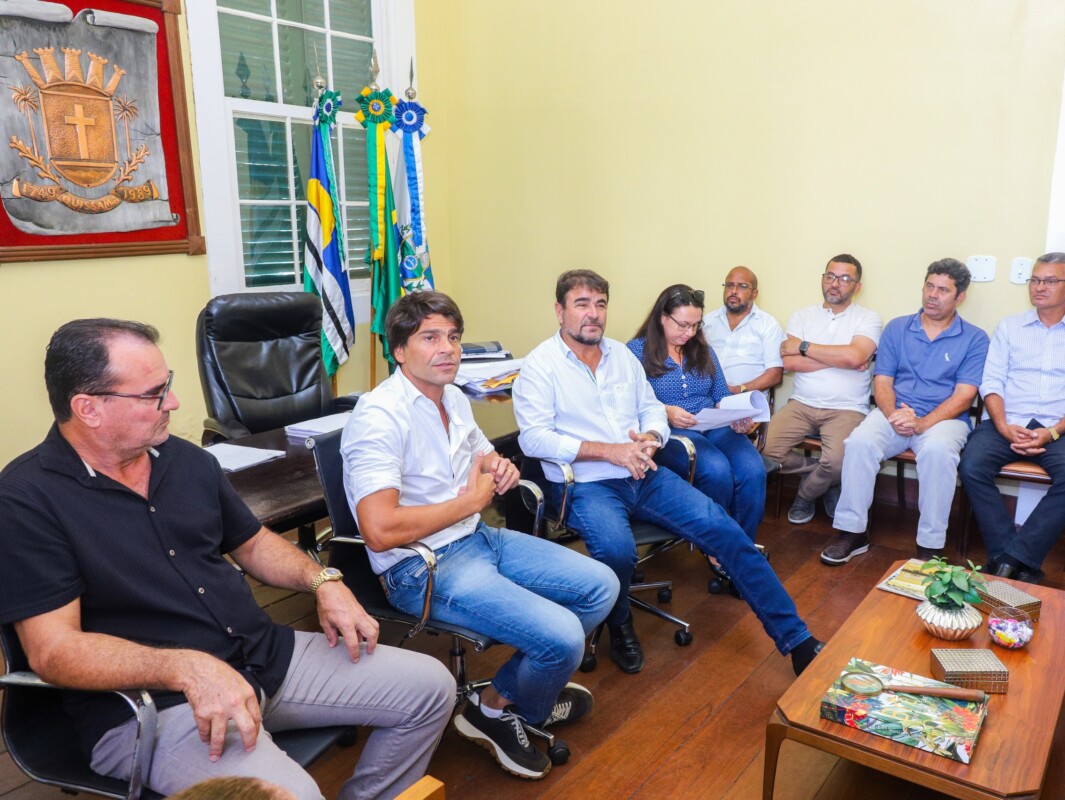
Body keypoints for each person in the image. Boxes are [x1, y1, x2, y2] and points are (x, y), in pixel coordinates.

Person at [0, 319, 456, 800]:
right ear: (88, 408)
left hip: (261, 656)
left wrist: (323, 580)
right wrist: (187, 668)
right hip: (157, 704)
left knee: (431, 688)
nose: (173, 403)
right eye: (154, 394)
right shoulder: (27, 500)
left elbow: (253, 543)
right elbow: (54, 651)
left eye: (168, 385)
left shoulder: (186, 460)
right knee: (291, 796)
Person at [342, 291, 618, 781]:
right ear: (399, 350)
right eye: (430, 338)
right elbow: (379, 531)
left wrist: (498, 466)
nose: (447, 349)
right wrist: (470, 503)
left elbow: (481, 453)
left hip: (477, 537)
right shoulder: (378, 416)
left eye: (453, 337)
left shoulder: (451, 396)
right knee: (562, 638)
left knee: (601, 586)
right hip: (422, 566)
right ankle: (516, 707)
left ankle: (495, 702)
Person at [513, 269, 824, 676]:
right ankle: (619, 624)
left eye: (600, 304)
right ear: (560, 311)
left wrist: (652, 436)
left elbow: (650, 408)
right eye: (582, 304)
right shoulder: (540, 366)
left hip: (644, 472)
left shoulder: (621, 357)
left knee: (724, 528)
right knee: (618, 551)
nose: (593, 314)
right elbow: (533, 439)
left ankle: (798, 640)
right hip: (589, 484)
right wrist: (610, 451)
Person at [821, 258, 990, 565]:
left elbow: (964, 396)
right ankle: (852, 532)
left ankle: (929, 546)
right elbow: (883, 382)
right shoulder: (898, 328)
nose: (932, 295)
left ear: (960, 297)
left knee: (938, 453)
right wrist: (894, 415)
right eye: (929, 286)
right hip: (894, 412)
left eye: (943, 290)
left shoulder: (975, 338)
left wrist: (922, 423)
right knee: (859, 443)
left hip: (945, 419)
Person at [958, 253, 1065, 584]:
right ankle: (1010, 557)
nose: (1039, 287)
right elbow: (992, 382)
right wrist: (1002, 426)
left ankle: (1010, 559)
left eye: (1050, 281)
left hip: (1061, 429)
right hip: (1007, 421)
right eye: (1035, 280)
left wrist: (1051, 433)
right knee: (971, 465)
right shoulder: (1010, 326)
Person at [627, 284, 766, 543]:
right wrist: (666, 411)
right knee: (715, 469)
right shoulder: (636, 351)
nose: (689, 333)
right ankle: (716, 543)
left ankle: (741, 546)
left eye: (695, 325)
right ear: (662, 317)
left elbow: (721, 395)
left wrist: (736, 416)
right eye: (682, 325)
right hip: (671, 432)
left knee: (752, 468)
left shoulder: (702, 350)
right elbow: (628, 403)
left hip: (712, 424)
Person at [760, 254, 882, 525]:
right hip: (801, 404)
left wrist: (805, 347)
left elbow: (855, 356)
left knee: (838, 462)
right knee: (763, 450)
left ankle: (805, 495)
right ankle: (823, 479)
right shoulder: (802, 316)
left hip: (847, 409)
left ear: (857, 286)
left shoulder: (868, 318)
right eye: (830, 276)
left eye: (844, 278)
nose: (835, 283)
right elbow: (789, 362)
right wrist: (843, 360)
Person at [702, 266, 785, 395]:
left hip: (745, 398)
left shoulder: (768, 325)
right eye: (729, 285)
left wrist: (738, 389)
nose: (733, 291)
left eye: (742, 286)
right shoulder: (707, 321)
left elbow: (775, 374)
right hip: (706, 396)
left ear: (754, 293)